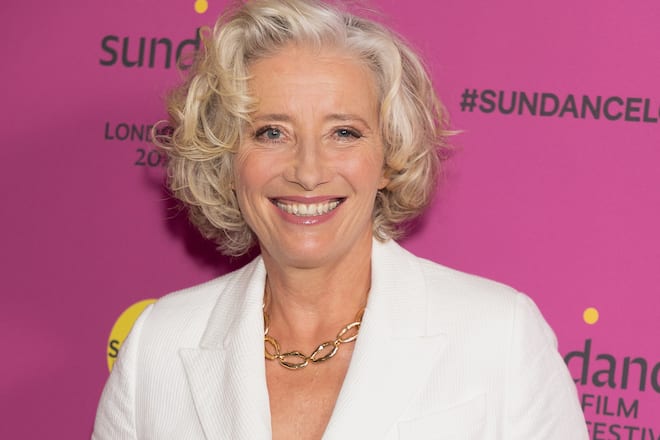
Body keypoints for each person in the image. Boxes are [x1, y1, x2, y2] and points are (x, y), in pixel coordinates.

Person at [93, 0, 588, 438]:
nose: (308, 172)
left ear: (389, 158)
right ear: (226, 160)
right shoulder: (157, 344)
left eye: (344, 133)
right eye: (271, 132)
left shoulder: (500, 335)